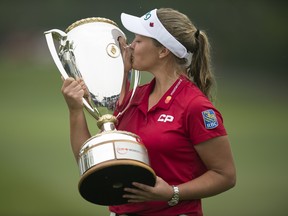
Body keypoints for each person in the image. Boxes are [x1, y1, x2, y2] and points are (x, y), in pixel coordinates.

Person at [61, 8, 236, 216]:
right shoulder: (134, 96)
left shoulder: (195, 106)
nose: (129, 46)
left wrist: (173, 192)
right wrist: (75, 110)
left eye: (139, 41)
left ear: (163, 51)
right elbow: (92, 162)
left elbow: (225, 175)